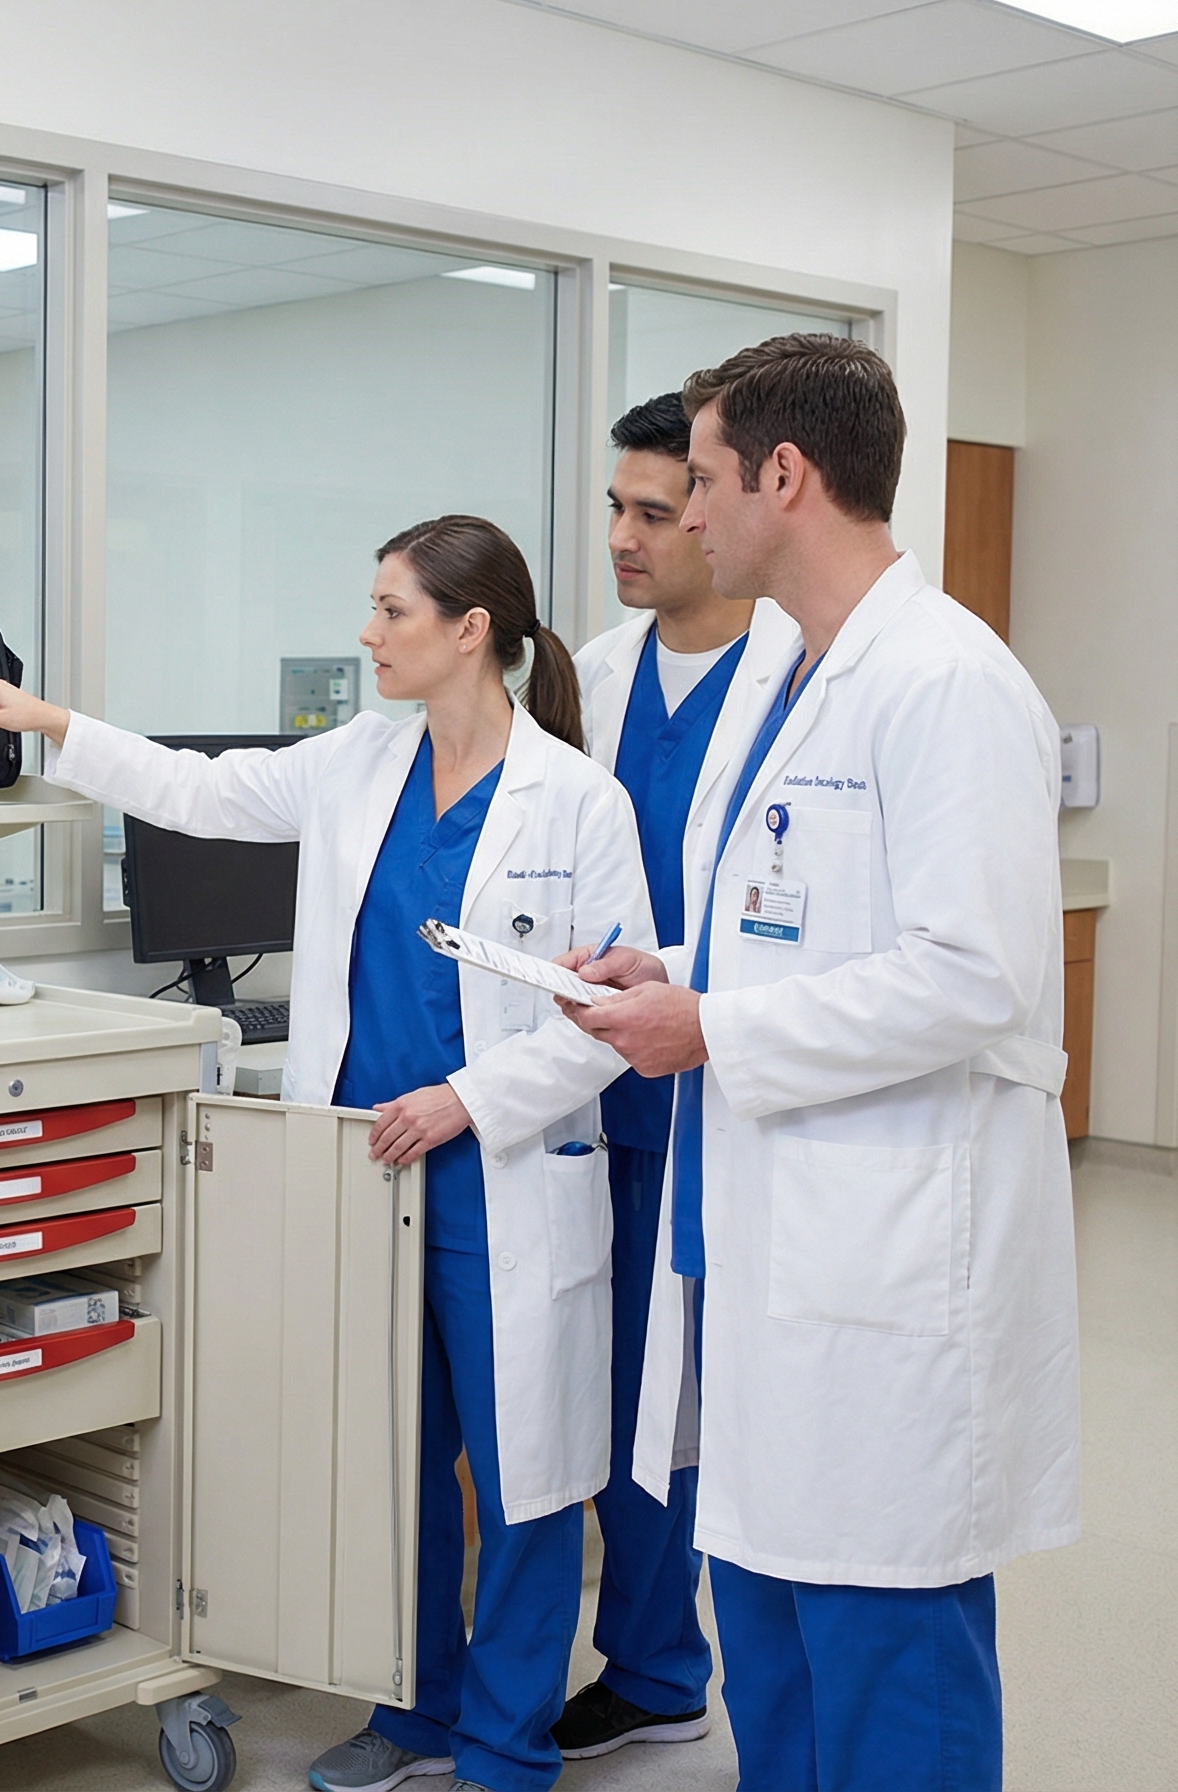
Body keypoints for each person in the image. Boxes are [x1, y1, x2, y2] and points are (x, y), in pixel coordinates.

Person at [0, 515, 652, 1792]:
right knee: (397, 1474)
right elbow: (197, 788)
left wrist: (464, 1099)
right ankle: (420, 1711)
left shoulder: (580, 800)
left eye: (391, 611)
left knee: (528, 1481)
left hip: (501, 1181)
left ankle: (505, 1746)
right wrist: (46, 722)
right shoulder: (358, 764)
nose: (367, 634)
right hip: (366, 1181)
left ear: (469, 628)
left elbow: (612, 1014)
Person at [558, 336, 1079, 1792]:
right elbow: (813, 934)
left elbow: (976, 978)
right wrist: (687, 981)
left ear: (786, 476)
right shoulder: (798, 679)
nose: (680, 517)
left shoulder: (944, 683)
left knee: (882, 1646)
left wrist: (717, 1027)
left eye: (705, 483)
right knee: (775, 1628)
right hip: (778, 1248)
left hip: (892, 1263)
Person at [555, 393, 803, 1763]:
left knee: (690, 1400)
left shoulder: (795, 677)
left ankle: (662, 1662)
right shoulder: (594, 672)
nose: (630, 536)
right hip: (593, 1089)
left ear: (720, 510)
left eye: (659, 508)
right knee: (610, 1388)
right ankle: (652, 1659)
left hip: (721, 1086)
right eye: (618, 508)